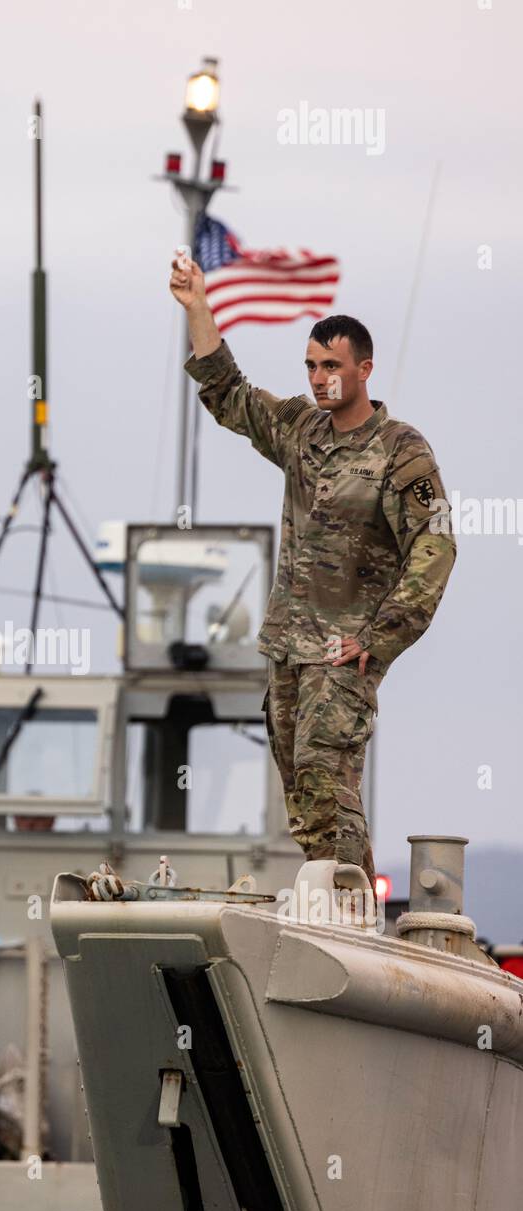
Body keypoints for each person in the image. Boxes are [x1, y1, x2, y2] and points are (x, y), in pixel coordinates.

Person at [169, 252, 456, 886]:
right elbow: (229, 394)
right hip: (289, 646)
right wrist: (199, 308)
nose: (320, 378)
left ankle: (346, 908)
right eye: (311, 366)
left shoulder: (400, 450)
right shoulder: (301, 431)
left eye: (332, 366)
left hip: (344, 648)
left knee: (327, 771)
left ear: (363, 369)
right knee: (303, 791)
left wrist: (378, 639)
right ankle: (343, 897)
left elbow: (435, 547)